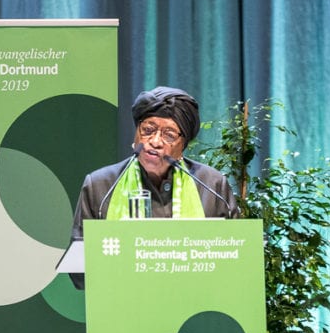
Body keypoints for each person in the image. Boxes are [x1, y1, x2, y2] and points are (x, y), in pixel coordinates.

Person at [72, 86, 237, 238]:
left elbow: (234, 253)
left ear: (183, 146)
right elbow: (80, 260)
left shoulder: (212, 185)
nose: (155, 141)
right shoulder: (100, 185)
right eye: (148, 130)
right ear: (137, 131)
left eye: (169, 135)